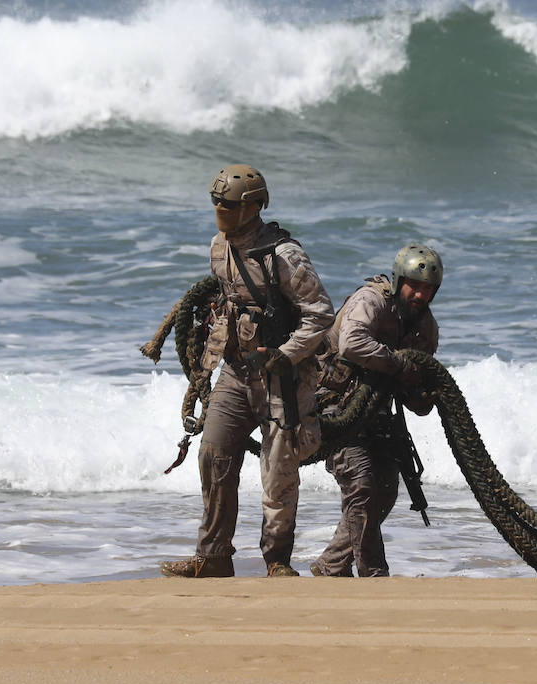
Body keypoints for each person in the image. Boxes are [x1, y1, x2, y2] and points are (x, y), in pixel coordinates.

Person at [161, 164, 334, 578]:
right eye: (217, 201)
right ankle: (214, 555)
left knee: (278, 475)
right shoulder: (218, 248)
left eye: (230, 203)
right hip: (237, 373)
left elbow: (320, 314)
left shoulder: (284, 255)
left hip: (282, 380)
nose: (221, 209)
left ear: (255, 206)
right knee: (213, 456)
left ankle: (277, 561)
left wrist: (285, 354)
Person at [310, 243, 442, 578]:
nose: (420, 295)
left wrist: (422, 391)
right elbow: (351, 344)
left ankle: (332, 565)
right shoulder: (371, 301)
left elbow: (419, 397)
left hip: (379, 414)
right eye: (415, 286)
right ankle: (374, 574)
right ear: (399, 282)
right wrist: (399, 365)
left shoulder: (426, 328)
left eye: (428, 289)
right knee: (362, 486)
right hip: (336, 407)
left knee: (385, 489)